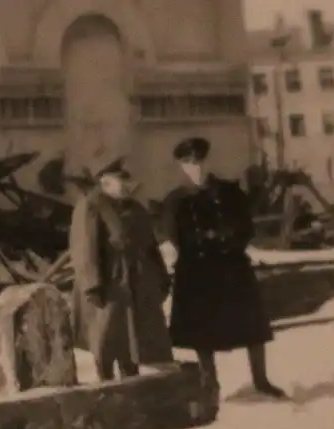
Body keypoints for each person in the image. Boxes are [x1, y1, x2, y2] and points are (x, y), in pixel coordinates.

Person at [160, 137, 287, 413]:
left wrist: (224, 238)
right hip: (197, 271)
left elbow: (245, 228)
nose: (196, 168)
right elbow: (176, 236)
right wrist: (204, 242)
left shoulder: (230, 192)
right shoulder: (175, 199)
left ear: (208, 161)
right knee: (202, 333)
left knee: (252, 326)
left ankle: (261, 380)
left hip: (231, 267)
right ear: (181, 167)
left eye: (199, 161)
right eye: (188, 163)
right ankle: (210, 383)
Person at [69, 152, 173, 381]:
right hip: (109, 283)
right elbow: (85, 248)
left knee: (132, 339)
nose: (127, 186)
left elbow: (151, 246)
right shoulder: (91, 206)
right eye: (121, 181)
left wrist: (162, 279)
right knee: (106, 337)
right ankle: (105, 381)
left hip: (137, 281)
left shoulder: (135, 208)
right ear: (105, 182)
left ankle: (131, 380)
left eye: (127, 181)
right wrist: (92, 285)